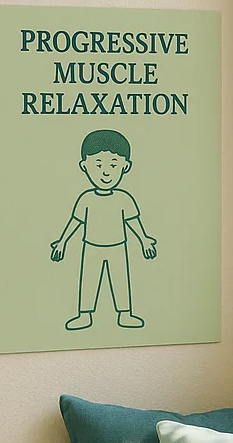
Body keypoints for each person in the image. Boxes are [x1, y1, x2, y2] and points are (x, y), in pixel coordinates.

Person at [50, 129, 157, 330]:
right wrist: (62, 241)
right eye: (98, 165)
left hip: (118, 247)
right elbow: (76, 222)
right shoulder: (86, 199)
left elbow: (133, 222)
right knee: (88, 280)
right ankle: (84, 315)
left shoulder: (124, 199)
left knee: (120, 280)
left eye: (113, 165)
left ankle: (125, 313)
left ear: (126, 166)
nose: (106, 172)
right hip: (91, 247)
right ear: (84, 166)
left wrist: (144, 239)